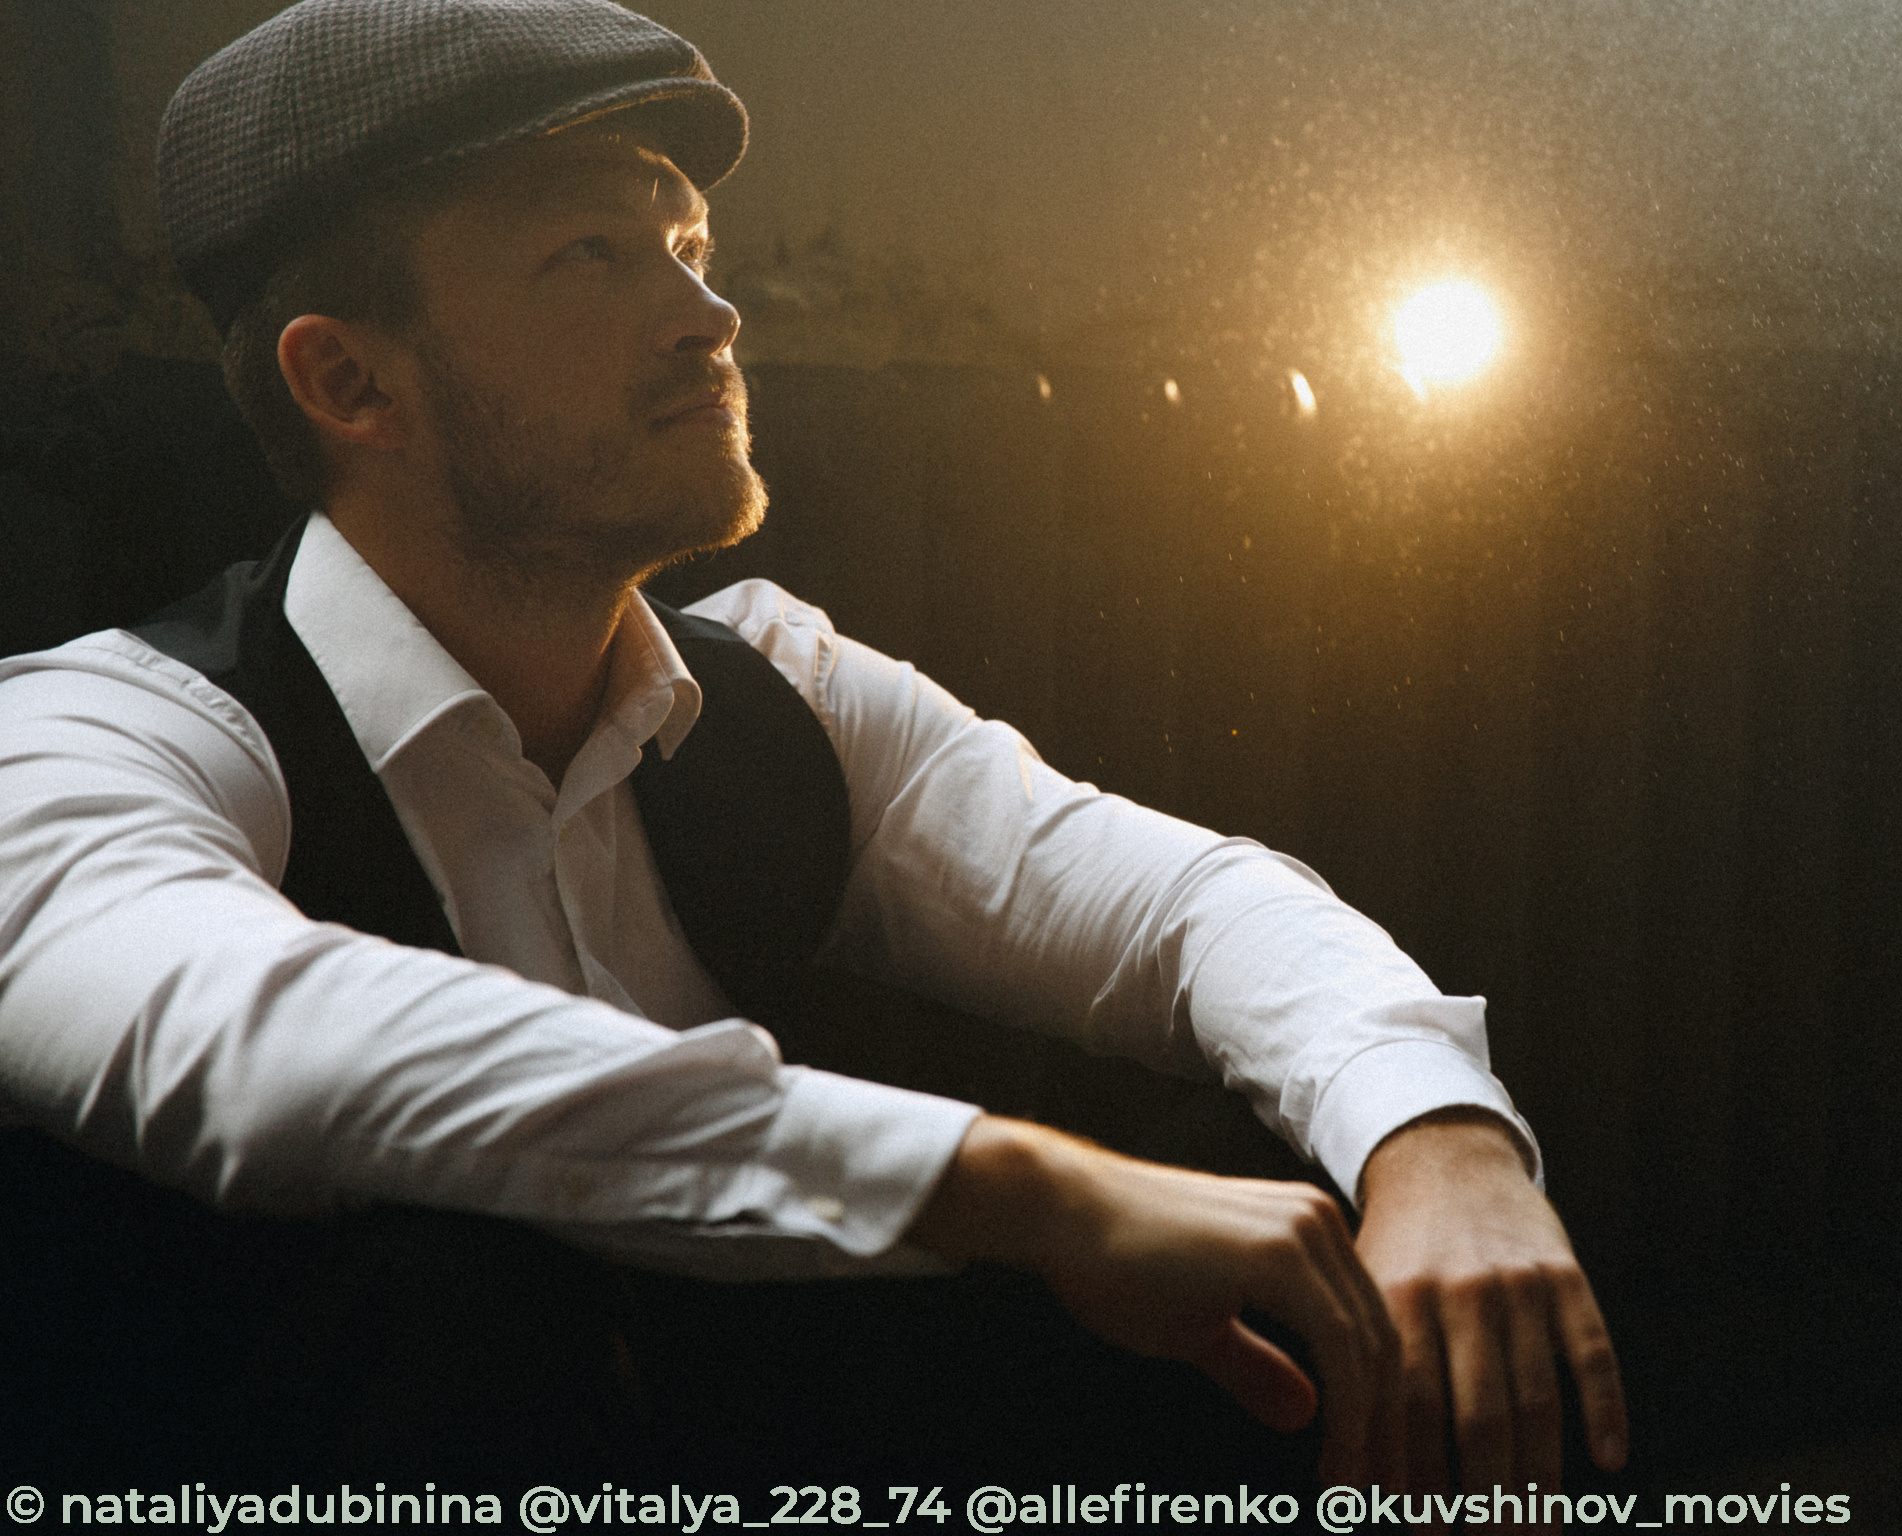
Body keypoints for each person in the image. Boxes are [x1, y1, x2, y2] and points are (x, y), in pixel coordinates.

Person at [0, 0, 1625, 1497]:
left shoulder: (778, 688)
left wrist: (1437, 1140)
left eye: (688, 245)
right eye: (590, 255)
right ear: (350, 377)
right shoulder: (95, 738)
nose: (710, 314)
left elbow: (1187, 907)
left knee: (1281, 1225)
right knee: (448, 1304)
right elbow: (266, 1046)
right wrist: (1023, 1191)